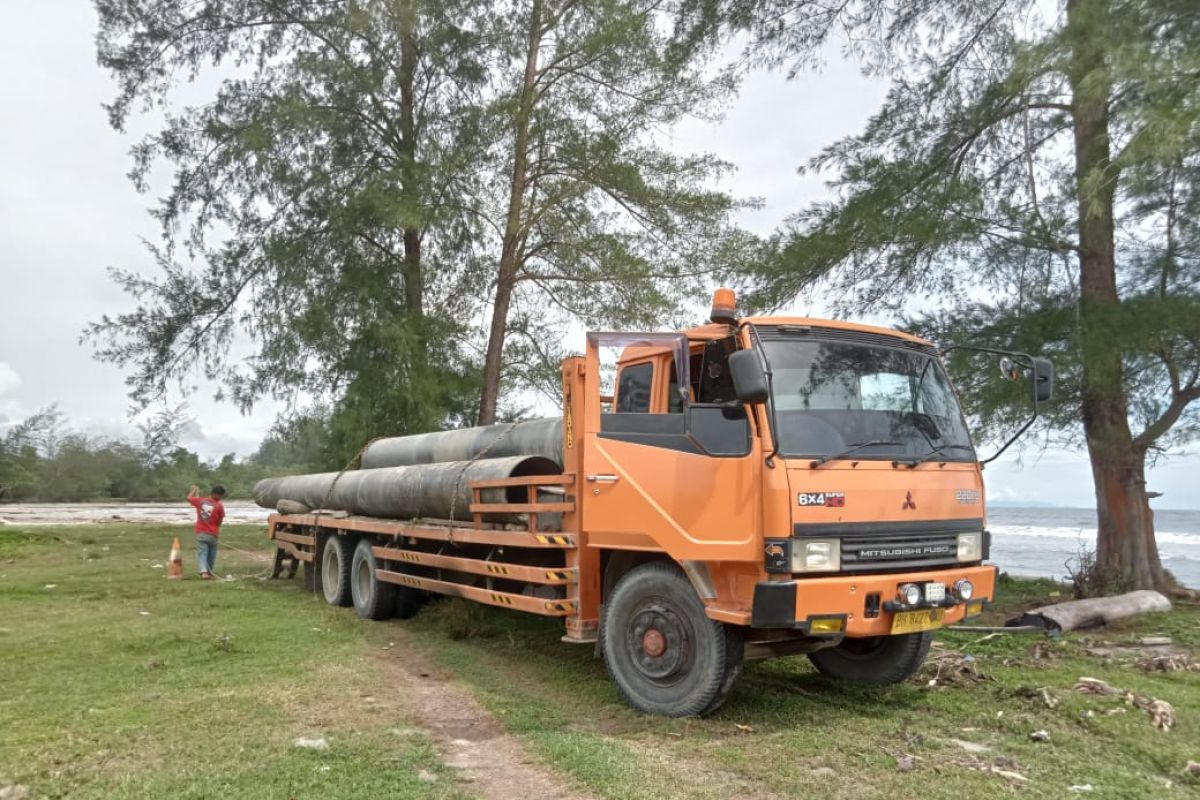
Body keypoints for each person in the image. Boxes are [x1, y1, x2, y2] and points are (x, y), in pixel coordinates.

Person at [187, 484, 227, 580]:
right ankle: (207, 572)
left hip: (201, 532)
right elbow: (220, 520)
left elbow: (189, 498)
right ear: (217, 494)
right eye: (221, 496)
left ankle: (204, 571)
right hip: (212, 533)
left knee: (203, 552)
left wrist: (193, 490)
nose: (221, 498)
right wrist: (217, 527)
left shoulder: (200, 501)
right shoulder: (219, 505)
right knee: (211, 554)